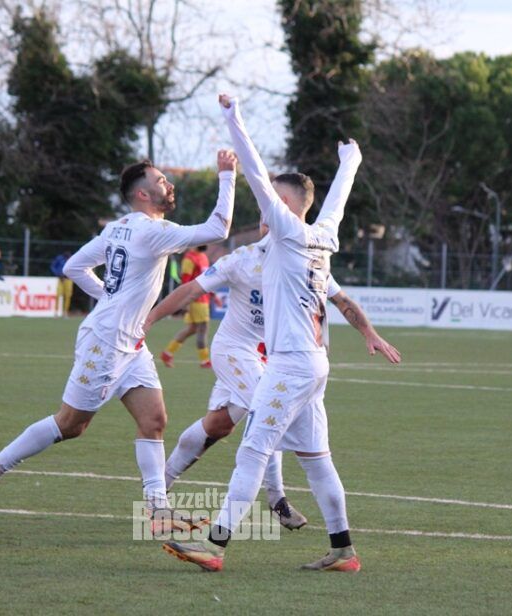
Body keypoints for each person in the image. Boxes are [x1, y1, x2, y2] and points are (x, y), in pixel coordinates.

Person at [162, 95, 400, 573]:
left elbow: (252, 167)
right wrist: (350, 161)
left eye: (271, 196)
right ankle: (343, 550)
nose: (263, 201)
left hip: (290, 364)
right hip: (315, 365)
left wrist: (233, 118)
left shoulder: (289, 234)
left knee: (252, 452)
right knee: (316, 459)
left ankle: (214, 546)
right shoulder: (324, 235)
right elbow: (337, 200)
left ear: (286, 206)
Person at [0, 150, 238, 534]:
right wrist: (227, 175)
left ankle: (158, 512)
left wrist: (108, 298)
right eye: (161, 180)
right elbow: (219, 228)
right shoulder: (152, 231)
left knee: (154, 421)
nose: (169, 184)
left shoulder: (117, 228)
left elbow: (74, 267)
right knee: (71, 424)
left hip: (128, 340)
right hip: (107, 340)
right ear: (142, 194)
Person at [143, 224, 399, 532]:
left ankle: (160, 488)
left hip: (268, 358)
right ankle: (277, 500)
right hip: (234, 351)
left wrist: (369, 332)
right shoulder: (242, 259)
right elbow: (191, 289)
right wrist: (150, 318)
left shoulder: (304, 261)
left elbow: (341, 300)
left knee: (218, 425)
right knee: (269, 415)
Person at [159, 245, 213, 368]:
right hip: (195, 299)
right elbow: (185, 281)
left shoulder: (203, 257)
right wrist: (186, 301)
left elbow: (207, 279)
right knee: (203, 327)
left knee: (192, 328)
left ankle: (168, 353)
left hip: (203, 298)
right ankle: (205, 360)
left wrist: (213, 295)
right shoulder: (190, 258)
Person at [50, 251, 73, 317]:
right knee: (58, 295)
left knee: (68, 296)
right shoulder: (59, 258)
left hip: (68, 279)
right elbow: (53, 266)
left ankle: (65, 312)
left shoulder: (72, 259)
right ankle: (56, 312)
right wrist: (58, 274)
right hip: (60, 279)